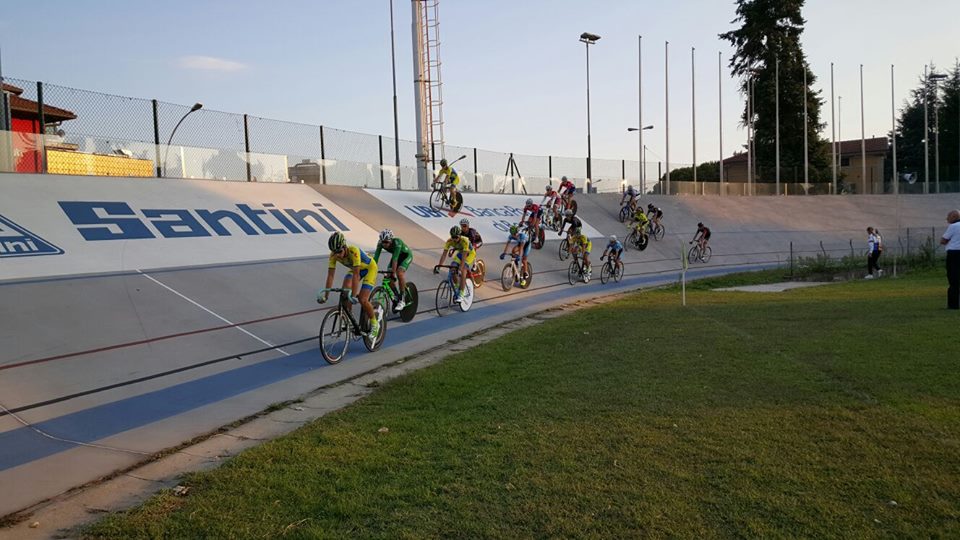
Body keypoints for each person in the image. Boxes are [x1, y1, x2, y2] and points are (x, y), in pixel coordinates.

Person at [321, 232, 380, 337]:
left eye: (339, 251)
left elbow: (356, 276)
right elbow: (330, 276)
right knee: (345, 292)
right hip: (356, 269)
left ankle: (375, 324)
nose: (337, 255)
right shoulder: (333, 256)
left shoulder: (354, 251)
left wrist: (353, 295)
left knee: (362, 299)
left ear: (344, 247)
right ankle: (349, 319)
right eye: (335, 252)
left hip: (369, 269)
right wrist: (326, 296)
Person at [373, 229, 413, 312]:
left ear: (391, 240)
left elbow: (395, 259)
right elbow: (375, 258)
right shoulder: (380, 243)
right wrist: (372, 270)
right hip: (396, 257)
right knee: (388, 278)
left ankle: (402, 300)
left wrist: (393, 274)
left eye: (386, 242)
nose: (384, 244)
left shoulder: (397, 243)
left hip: (406, 256)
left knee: (399, 273)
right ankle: (396, 296)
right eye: (383, 242)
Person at [435, 225, 476, 304]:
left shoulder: (465, 241)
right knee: (452, 268)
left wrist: (460, 267)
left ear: (460, 235)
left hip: (469, 254)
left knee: (463, 270)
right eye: (453, 237)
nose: (454, 239)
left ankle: (461, 294)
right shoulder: (449, 241)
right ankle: (457, 288)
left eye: (456, 237)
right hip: (461, 253)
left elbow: (464, 256)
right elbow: (444, 255)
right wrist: (439, 266)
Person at [940, 209, 960, 309]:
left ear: (954, 217)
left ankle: (953, 304)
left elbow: (943, 240)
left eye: (948, 216)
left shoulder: (953, 226)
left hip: (954, 254)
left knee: (953, 278)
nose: (947, 218)